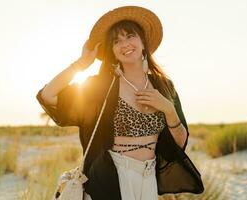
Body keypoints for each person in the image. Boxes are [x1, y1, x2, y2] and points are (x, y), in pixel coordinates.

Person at [36, 5, 203, 200]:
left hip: (148, 178)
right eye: (117, 41)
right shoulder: (101, 87)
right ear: (113, 51)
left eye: (130, 36)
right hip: (112, 176)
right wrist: (81, 64)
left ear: (143, 42)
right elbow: (48, 95)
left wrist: (168, 109)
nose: (124, 44)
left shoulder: (163, 86)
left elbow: (180, 143)